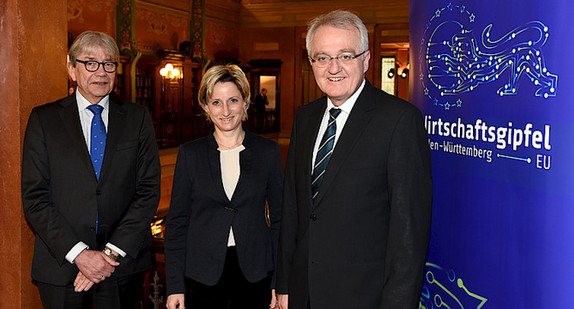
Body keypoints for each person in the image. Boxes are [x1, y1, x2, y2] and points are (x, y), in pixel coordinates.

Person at [275, 10, 433, 309]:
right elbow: (293, 209)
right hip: (302, 293)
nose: (333, 68)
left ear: (366, 60)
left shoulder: (399, 120)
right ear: (311, 62)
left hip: (365, 298)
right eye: (322, 57)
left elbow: (408, 234)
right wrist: (283, 283)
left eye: (345, 55)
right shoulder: (304, 118)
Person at [21, 31, 161, 308]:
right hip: (62, 267)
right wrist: (81, 255)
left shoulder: (137, 118)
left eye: (109, 63)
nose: (101, 71)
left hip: (121, 266)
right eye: (90, 63)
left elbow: (148, 190)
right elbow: (35, 198)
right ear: (72, 69)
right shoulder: (44, 120)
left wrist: (108, 255)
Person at [164, 64, 283, 309]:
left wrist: (279, 282)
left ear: (246, 102)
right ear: (206, 107)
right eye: (216, 102)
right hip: (202, 275)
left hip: (256, 273)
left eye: (233, 100)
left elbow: (281, 221)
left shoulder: (268, 152)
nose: (226, 110)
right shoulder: (190, 154)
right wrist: (175, 286)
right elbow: (176, 224)